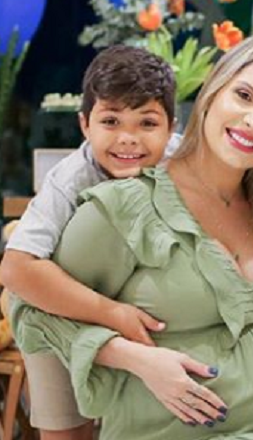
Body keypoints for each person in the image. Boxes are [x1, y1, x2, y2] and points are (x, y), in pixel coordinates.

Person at [9, 33, 253, 440]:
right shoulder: (116, 199)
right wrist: (129, 354)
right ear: (212, 93)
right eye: (244, 95)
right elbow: (28, 300)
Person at [0, 45, 180, 440]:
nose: (128, 139)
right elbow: (15, 268)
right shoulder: (70, 179)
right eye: (110, 121)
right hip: (61, 311)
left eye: (147, 123)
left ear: (171, 127)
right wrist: (111, 313)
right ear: (84, 124)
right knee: (66, 428)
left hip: (147, 307)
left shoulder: (185, 164)